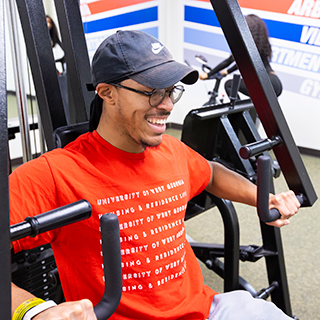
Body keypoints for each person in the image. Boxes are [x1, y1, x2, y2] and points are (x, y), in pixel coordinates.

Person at [10, 30, 300, 320]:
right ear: (107, 92)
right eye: (152, 92)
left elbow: (210, 173)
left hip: (207, 308)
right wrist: (33, 311)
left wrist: (264, 199)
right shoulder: (55, 172)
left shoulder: (172, 151)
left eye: (171, 91)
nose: (168, 105)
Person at [199, 14, 283, 98]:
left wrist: (209, 74)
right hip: (275, 82)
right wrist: (227, 71)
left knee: (229, 85)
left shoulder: (246, 48)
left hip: (265, 83)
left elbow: (229, 61)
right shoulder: (262, 46)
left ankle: (239, 111)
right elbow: (241, 62)